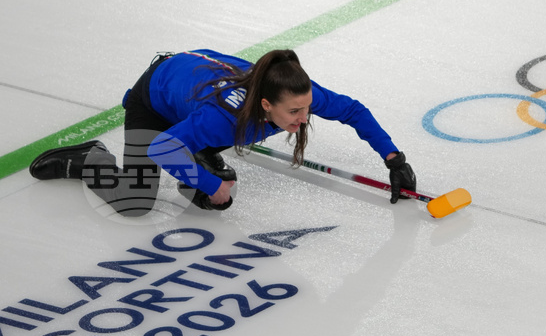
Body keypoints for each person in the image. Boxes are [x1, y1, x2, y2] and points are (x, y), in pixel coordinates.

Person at [29, 49, 416, 216]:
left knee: (216, 152)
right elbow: (163, 148)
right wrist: (211, 186)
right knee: (134, 201)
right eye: (294, 112)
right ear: (267, 104)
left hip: (193, 96)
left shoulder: (296, 92)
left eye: (307, 108)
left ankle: (199, 153)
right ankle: (89, 158)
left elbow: (353, 111)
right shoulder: (224, 117)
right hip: (154, 101)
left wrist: (393, 158)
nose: (304, 117)